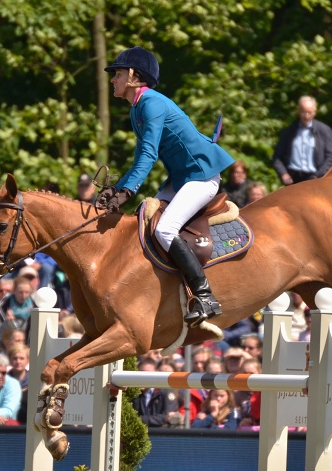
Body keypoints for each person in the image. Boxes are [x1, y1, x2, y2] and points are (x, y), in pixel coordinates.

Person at [98, 46, 235, 327]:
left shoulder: (151, 104)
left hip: (201, 175)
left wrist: (127, 190)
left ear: (135, 76)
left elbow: (148, 155)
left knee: (164, 228)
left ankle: (205, 295)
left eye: (118, 74)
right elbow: (141, 157)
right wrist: (118, 188)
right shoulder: (138, 107)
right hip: (182, 178)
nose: (113, 79)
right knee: (142, 218)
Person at [272, 95, 332, 185]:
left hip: (315, 178)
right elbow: (277, 158)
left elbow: (331, 157)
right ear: (298, 111)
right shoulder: (288, 132)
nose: (306, 116)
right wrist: (284, 174)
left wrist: (317, 176)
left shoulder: (324, 131)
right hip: (293, 178)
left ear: (314, 112)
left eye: (309, 112)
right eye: (303, 112)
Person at [131, 358, 180, 427]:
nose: (144, 376)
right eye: (141, 373)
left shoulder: (165, 391)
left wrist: (140, 419)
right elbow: (132, 414)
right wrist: (136, 393)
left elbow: (167, 417)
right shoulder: (135, 392)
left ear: (156, 372)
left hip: (160, 434)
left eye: (148, 373)